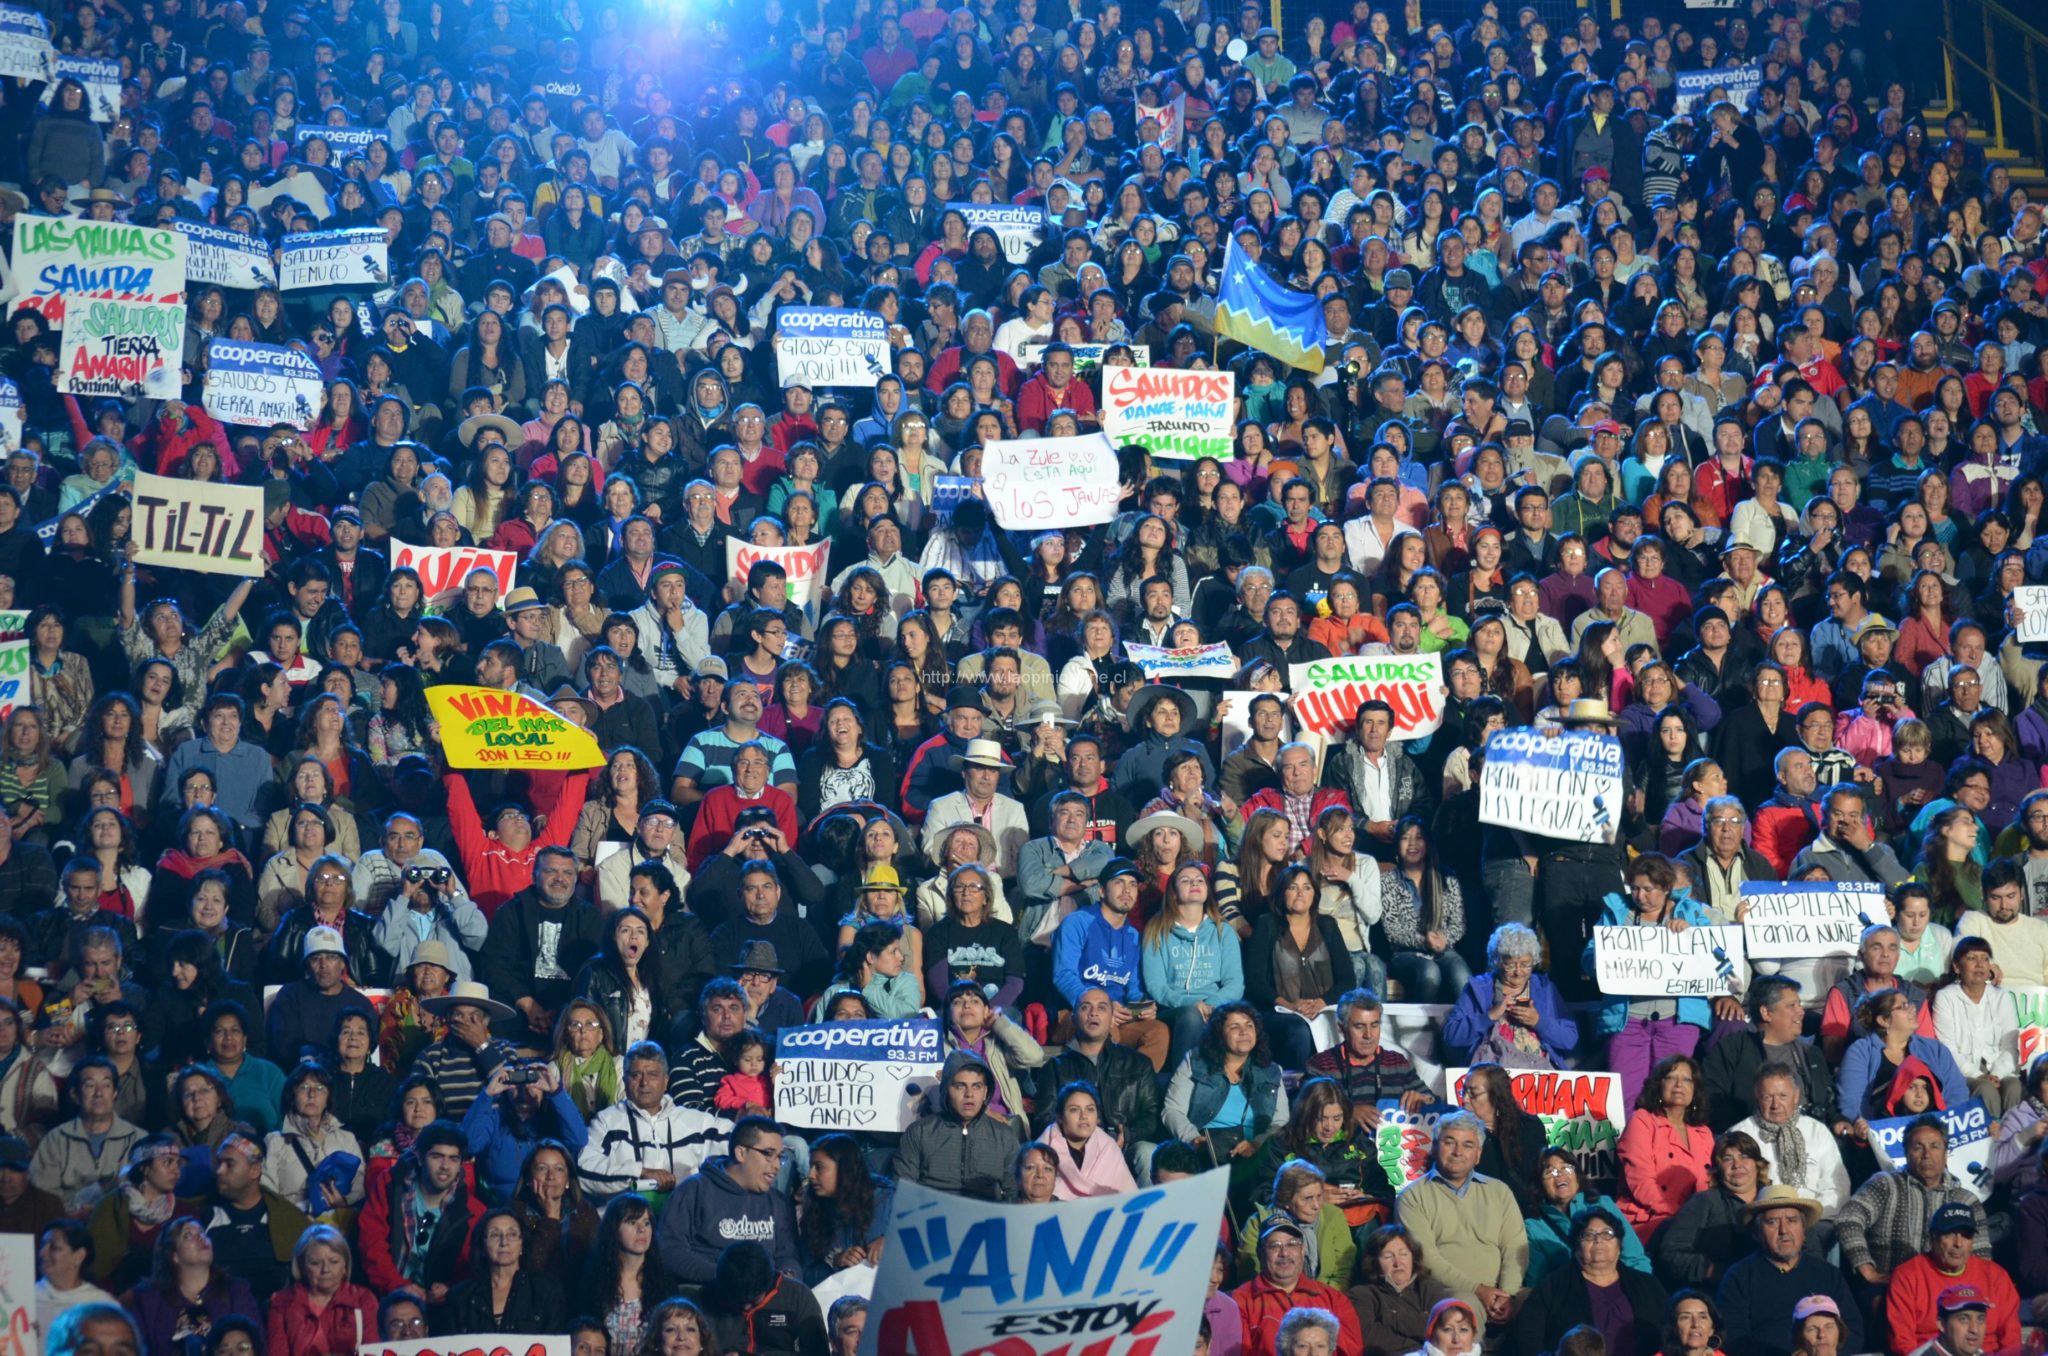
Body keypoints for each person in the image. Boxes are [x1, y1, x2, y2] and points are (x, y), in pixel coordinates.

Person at [1394, 1111, 1527, 1326]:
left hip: (1501, 1293)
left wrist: (1508, 1294)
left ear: (1478, 1154)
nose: (1458, 1152)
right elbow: (1426, 1258)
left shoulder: (1499, 1191)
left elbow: (1515, 1247)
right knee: (1464, 1306)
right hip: (1448, 1292)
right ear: (1435, 1146)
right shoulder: (1412, 1197)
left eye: (1467, 1145)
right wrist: (1478, 1290)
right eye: (1450, 1142)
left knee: (1539, 1300)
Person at [1714, 1186, 1862, 1356]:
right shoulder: (1739, 1276)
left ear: (1803, 1230)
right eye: (1773, 1222)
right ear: (1757, 1232)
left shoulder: (1827, 1274)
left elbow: (1854, 1330)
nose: (1784, 1230)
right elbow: (1733, 1338)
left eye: (1792, 1220)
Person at [654, 1115, 802, 1282]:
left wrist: (785, 1279)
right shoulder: (693, 1191)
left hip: (765, 1296)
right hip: (708, 1293)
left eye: (780, 1157)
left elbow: (788, 1257)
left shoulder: (778, 1203)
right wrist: (725, 1277)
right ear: (740, 1153)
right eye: (768, 1154)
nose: (776, 1165)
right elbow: (670, 1250)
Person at [577, 1040, 729, 1201]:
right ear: (625, 1080)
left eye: (652, 1075)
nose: (644, 1083)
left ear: (666, 1081)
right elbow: (584, 1169)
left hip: (682, 1221)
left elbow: (740, 1140)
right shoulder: (607, 1122)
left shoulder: (695, 1123)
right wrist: (640, 1173)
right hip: (622, 1222)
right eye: (636, 1075)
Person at [1510, 1203, 1668, 1356]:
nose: (1598, 1240)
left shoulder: (1647, 1286)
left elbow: (1668, 1333)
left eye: (1607, 1234)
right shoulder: (1552, 1287)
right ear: (1576, 1246)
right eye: (1588, 1235)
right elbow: (1528, 1339)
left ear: (1619, 1245)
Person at [357, 1120, 486, 1302]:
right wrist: (397, 1286)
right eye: (437, 1156)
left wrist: (451, 1289)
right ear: (419, 1156)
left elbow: (471, 1267)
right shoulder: (390, 1186)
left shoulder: (474, 1211)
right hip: (387, 1297)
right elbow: (371, 1244)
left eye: (453, 1159)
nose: (445, 1166)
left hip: (443, 1307)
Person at [1881, 1199, 2017, 1356]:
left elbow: (2012, 1339)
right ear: (1933, 1238)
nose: (1958, 1243)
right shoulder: (1907, 1276)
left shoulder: (1995, 1275)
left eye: (1966, 1235)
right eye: (1950, 1234)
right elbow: (1902, 1343)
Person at [1231, 1215, 1367, 1356]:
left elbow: (1352, 1353)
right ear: (1260, 1253)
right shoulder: (1240, 1301)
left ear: (1302, 1251)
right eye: (1274, 1246)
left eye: (1291, 1244)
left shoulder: (1334, 1299)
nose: (1284, 1253)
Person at [894, 1052, 1017, 1202]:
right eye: (960, 1086)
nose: (969, 1094)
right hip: (931, 1218)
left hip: (986, 1219)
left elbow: (1015, 1193)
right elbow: (903, 1191)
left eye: (977, 1086)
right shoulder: (919, 1132)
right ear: (946, 1090)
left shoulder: (1005, 1136)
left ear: (985, 1092)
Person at [1728, 1066, 1852, 1212]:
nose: (1775, 1105)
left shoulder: (1816, 1131)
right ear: (1757, 1097)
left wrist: (1810, 1218)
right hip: (1762, 1220)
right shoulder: (1740, 1134)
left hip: (1816, 1219)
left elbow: (1837, 1188)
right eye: (1768, 1097)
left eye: (1782, 1096)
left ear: (1796, 1096)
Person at [1618, 1056, 1714, 1243]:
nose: (1679, 1084)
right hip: (1650, 1218)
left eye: (1687, 1079)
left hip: (1694, 1219)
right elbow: (1641, 1182)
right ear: (1658, 1085)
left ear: (1695, 1089)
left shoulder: (1703, 1132)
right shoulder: (1642, 1120)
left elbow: (1709, 1185)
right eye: (1671, 1077)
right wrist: (1680, 1216)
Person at [262, 1224, 379, 1356]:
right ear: (301, 1266)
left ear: (345, 1265)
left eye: (334, 1261)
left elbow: (371, 1351)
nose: (325, 1270)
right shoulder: (280, 1303)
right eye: (315, 1263)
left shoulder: (363, 1299)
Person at [1349, 1223, 1451, 1356]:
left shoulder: (1430, 1288)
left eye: (1403, 1254)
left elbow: (1443, 1328)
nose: (1398, 1263)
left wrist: (1390, 1317)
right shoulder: (1362, 1294)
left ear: (1413, 1257)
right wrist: (1421, 1341)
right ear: (1374, 1262)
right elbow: (1369, 1339)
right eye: (1388, 1256)